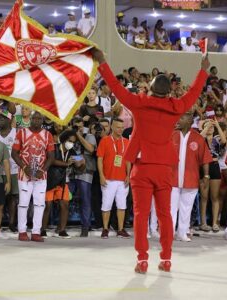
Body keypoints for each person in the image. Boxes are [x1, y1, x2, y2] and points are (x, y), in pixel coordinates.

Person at [91, 48, 210, 274]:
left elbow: (115, 88)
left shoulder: (138, 103)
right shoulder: (176, 107)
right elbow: (194, 93)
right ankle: (166, 259)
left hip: (142, 167)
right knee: (165, 215)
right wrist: (203, 71)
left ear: (151, 88)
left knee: (140, 214)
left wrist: (102, 62)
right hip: (165, 167)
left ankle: (143, 259)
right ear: (168, 93)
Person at [11, 111, 55, 242]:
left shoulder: (47, 135)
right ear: (30, 119)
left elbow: (51, 156)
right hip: (24, 175)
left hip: (41, 176)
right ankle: (22, 231)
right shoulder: (22, 133)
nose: (36, 120)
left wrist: (43, 169)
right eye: (34, 118)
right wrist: (24, 167)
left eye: (39, 118)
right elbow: (14, 153)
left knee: (40, 204)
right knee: (23, 204)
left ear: (42, 120)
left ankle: (36, 232)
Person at [171, 113, 212, 242]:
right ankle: (168, 233)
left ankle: (182, 233)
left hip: (191, 179)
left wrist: (206, 176)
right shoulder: (172, 135)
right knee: (170, 208)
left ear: (189, 122)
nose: (178, 120)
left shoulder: (198, 138)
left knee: (186, 208)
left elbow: (205, 159)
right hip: (172, 179)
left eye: (182, 118)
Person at [97, 118, 131, 239]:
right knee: (106, 204)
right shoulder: (105, 141)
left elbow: (128, 160)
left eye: (122, 127)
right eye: (118, 127)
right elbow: (100, 159)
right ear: (111, 127)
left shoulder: (126, 142)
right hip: (108, 179)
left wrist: (128, 175)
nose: (120, 129)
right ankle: (105, 229)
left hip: (122, 180)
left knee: (122, 205)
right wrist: (101, 176)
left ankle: (120, 230)